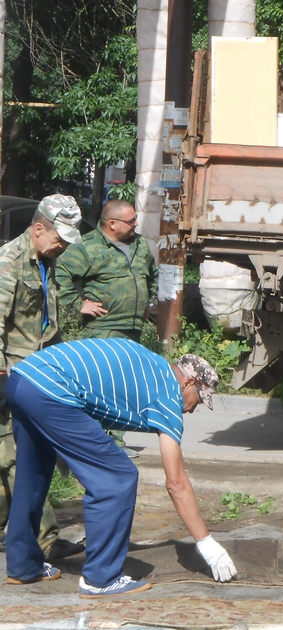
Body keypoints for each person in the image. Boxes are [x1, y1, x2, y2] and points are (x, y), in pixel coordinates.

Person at [4, 339, 237, 597]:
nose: (193, 409)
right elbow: (176, 482)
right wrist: (206, 543)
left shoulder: (153, 366)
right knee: (117, 476)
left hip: (22, 379)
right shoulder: (169, 394)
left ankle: (23, 566)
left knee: (33, 473)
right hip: (52, 391)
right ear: (188, 382)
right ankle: (101, 578)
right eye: (199, 399)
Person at [0, 195, 84, 560]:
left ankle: (20, 531)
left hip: (38, 375)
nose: (63, 244)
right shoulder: (9, 263)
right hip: (11, 377)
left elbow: (48, 326)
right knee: (19, 460)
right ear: (38, 228)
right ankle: (44, 540)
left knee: (18, 458)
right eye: (58, 236)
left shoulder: (47, 262)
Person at [56, 199, 157, 343]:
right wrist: (79, 304)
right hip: (103, 331)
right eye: (131, 221)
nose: (136, 224)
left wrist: (149, 303)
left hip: (134, 329)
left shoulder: (140, 243)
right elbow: (59, 273)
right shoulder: (87, 246)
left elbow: (153, 274)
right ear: (112, 224)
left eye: (135, 219)